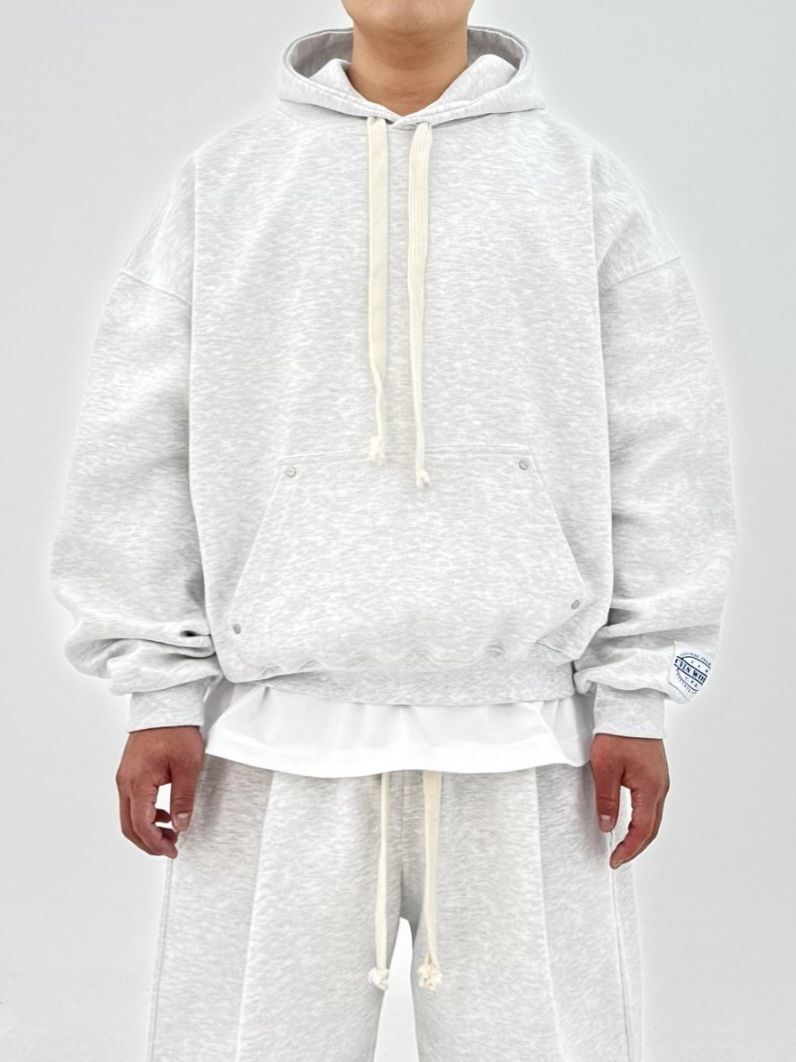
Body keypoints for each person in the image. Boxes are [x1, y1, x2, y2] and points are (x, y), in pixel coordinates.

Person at [48, 2, 738, 1059]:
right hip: (273, 740)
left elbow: (665, 440)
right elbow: (137, 439)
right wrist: (158, 692)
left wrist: (641, 694)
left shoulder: (579, 186)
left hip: (531, 744)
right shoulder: (226, 186)